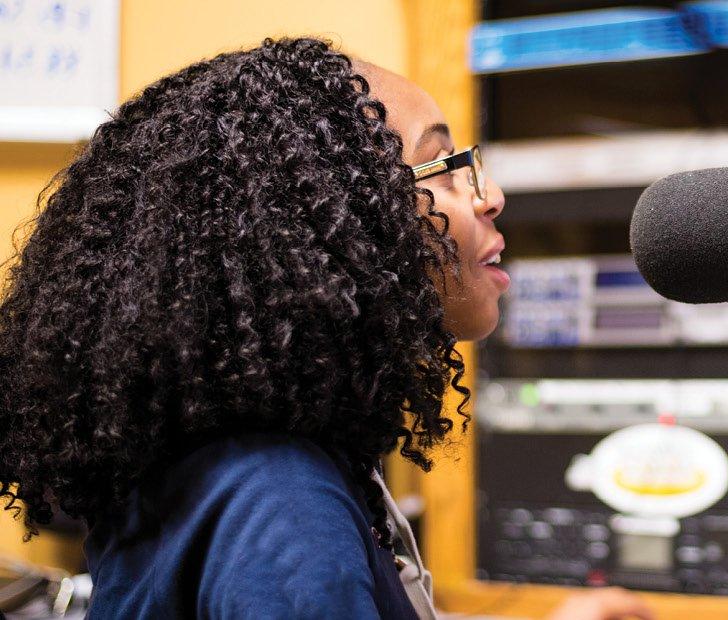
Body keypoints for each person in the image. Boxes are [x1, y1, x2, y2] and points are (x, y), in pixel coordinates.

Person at [0, 38, 652, 620]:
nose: (488, 195)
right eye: (442, 168)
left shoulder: (230, 470)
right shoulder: (284, 509)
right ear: (331, 231)